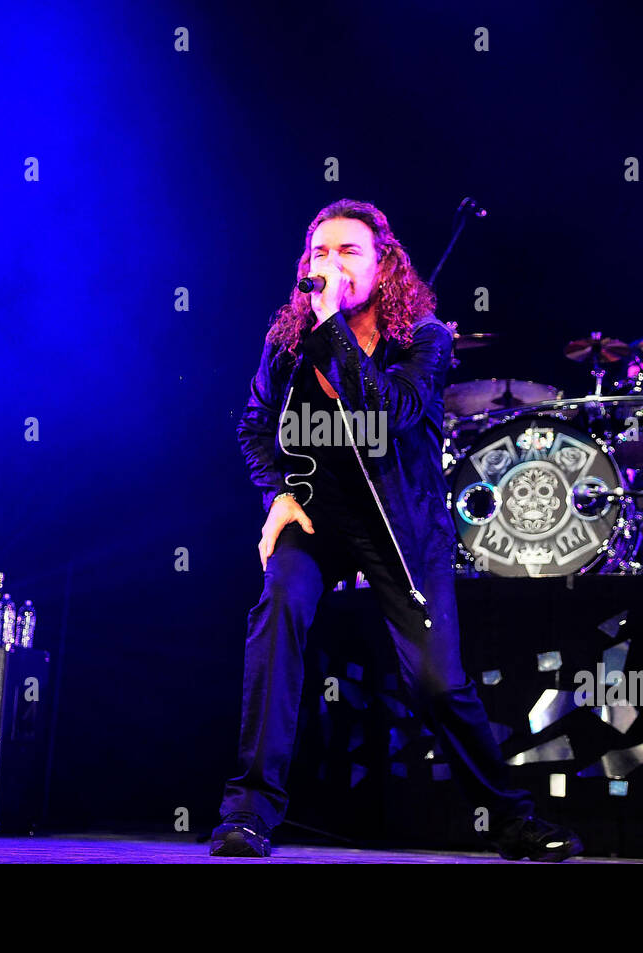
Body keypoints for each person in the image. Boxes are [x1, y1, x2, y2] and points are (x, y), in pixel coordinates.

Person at [210, 198, 583, 861]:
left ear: (384, 264)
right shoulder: (286, 341)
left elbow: (390, 414)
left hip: (404, 526)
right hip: (316, 513)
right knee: (280, 609)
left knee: (437, 682)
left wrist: (332, 332)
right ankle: (248, 813)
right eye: (319, 252)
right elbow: (252, 425)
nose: (330, 264)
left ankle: (512, 819)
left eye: (348, 250)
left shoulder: (426, 338)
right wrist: (275, 496)